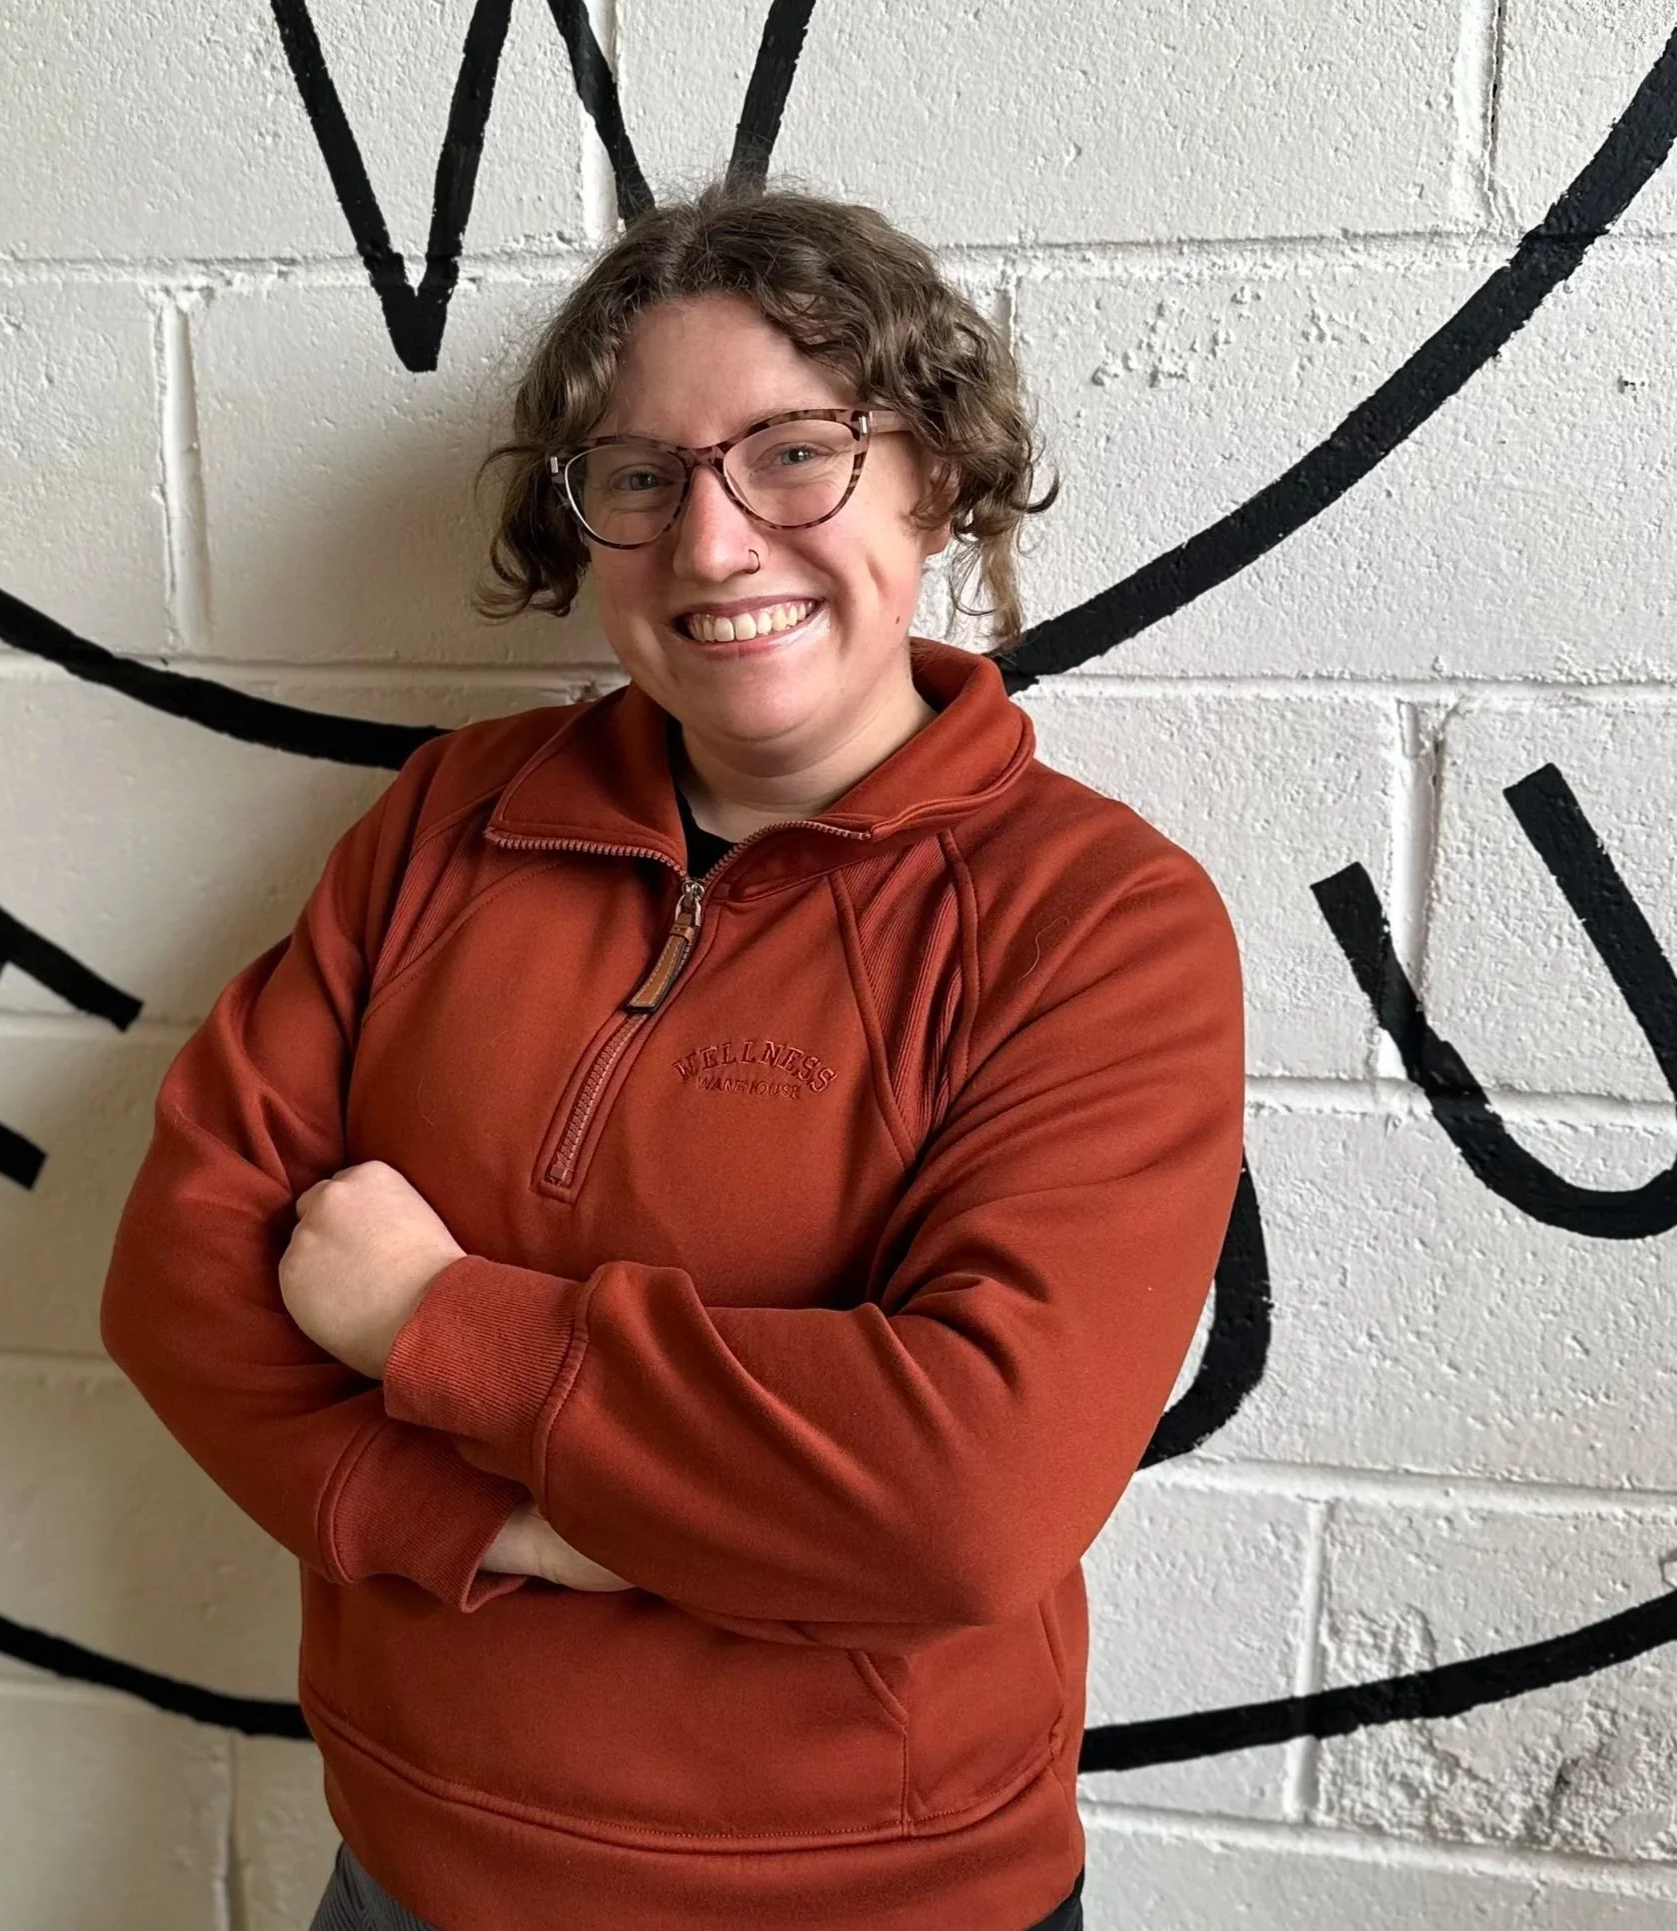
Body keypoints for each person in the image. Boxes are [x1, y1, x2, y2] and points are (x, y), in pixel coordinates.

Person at [100, 172, 1246, 1931]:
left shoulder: (1099, 922)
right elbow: (185, 1274)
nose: (713, 545)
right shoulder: (450, 823)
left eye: (796, 452)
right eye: (640, 478)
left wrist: (429, 1320)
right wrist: (507, 1525)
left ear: (934, 474)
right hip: (406, 1873)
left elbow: (962, 1495)